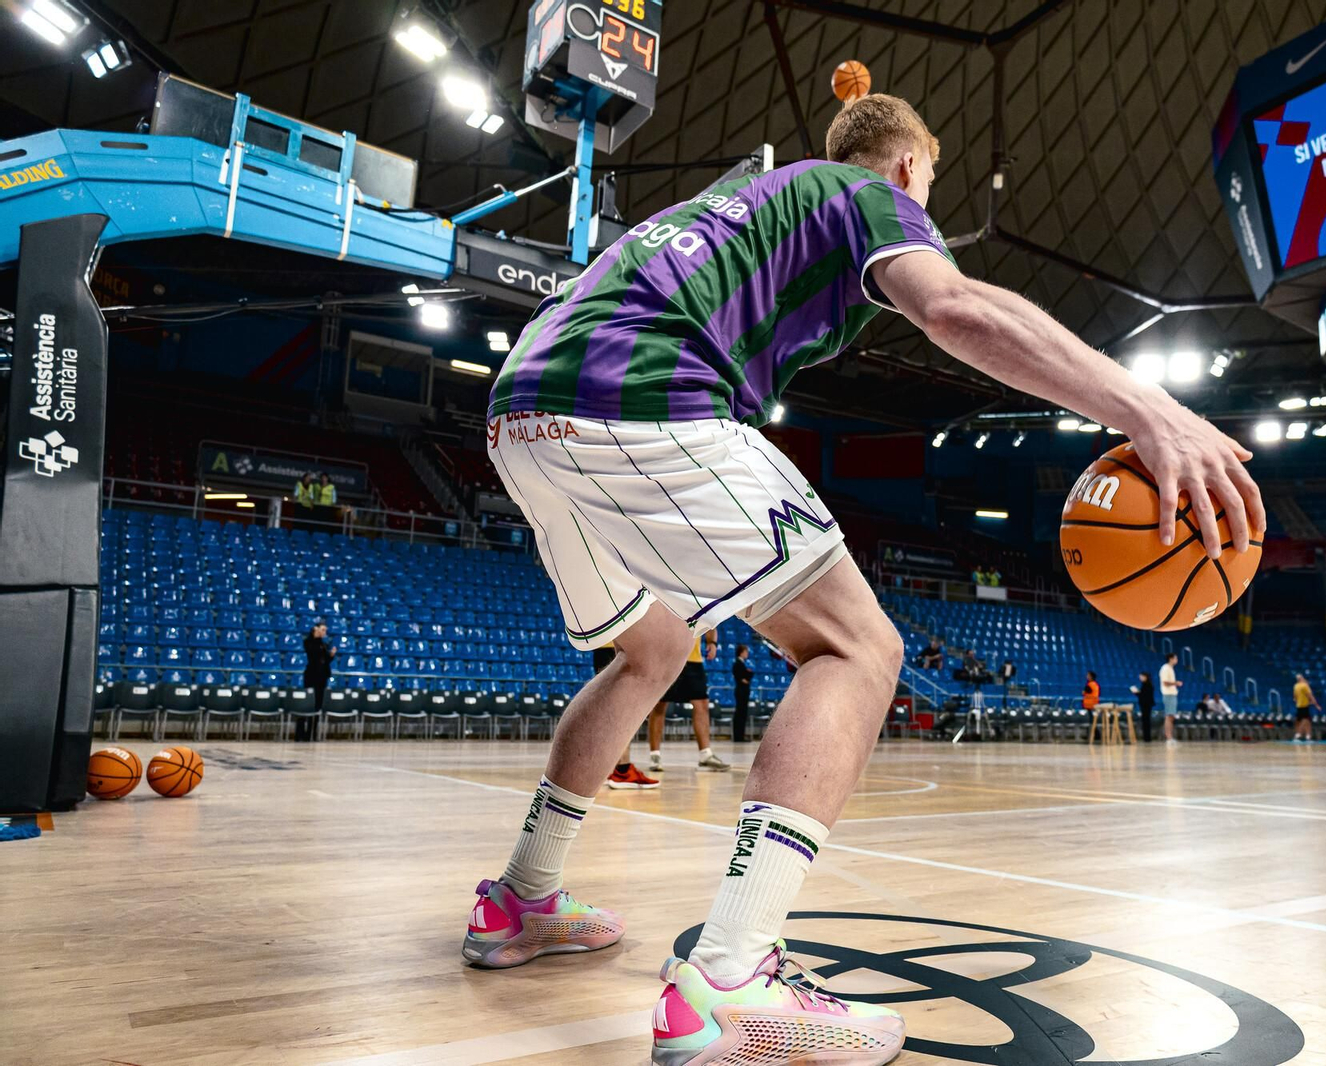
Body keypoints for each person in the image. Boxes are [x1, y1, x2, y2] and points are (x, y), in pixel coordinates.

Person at [466, 92, 1263, 1062]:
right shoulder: (863, 190)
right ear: (907, 173)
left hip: (523, 410)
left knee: (654, 648)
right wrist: (1145, 409)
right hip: (638, 395)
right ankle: (731, 978)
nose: (924, 205)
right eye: (926, 185)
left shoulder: (752, 200)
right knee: (855, 646)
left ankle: (520, 900)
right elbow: (955, 307)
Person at [647, 629, 729, 773]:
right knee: (659, 706)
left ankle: (705, 755)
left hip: (693, 658)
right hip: (666, 658)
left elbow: (709, 617)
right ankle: (655, 756)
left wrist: (712, 642)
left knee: (702, 703)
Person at [596, 644, 659, 790]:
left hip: (605, 646)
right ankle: (622, 772)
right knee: (622, 709)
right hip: (619, 648)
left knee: (613, 709)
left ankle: (613, 769)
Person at [300, 623, 335, 740]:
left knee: (317, 706)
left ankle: (312, 733)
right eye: (322, 630)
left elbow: (324, 660)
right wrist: (314, 636)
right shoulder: (310, 642)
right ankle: (301, 733)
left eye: (325, 630)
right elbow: (312, 653)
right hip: (311, 677)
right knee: (307, 704)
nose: (324, 632)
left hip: (322, 678)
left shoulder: (323, 644)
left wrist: (331, 656)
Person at [731, 643, 754, 742]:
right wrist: (749, 673)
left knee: (742, 714)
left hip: (743, 691)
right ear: (741, 652)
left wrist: (748, 673)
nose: (747, 653)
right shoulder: (738, 664)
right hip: (741, 691)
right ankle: (738, 736)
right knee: (740, 714)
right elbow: (743, 679)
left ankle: (740, 735)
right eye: (746, 652)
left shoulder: (741, 664)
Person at [1159, 652, 1181, 745]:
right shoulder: (1165, 668)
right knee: (1169, 716)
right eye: (1175, 658)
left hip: (1172, 694)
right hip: (1168, 694)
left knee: (1171, 716)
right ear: (1171, 659)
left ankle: (1170, 736)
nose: (1177, 660)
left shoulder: (1171, 669)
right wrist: (1176, 683)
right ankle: (1168, 737)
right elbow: (1165, 682)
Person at [1292, 673, 1319, 743]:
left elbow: (1294, 698)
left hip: (1299, 705)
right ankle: (1298, 735)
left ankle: (1308, 736)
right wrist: (1316, 705)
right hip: (1304, 706)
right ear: (1301, 679)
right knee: (1305, 720)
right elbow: (1310, 696)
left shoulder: (1295, 686)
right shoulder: (1305, 686)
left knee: (1305, 721)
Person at [1132, 671, 1155, 742]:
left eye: (1141, 676)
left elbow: (1143, 695)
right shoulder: (1147, 684)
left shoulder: (1147, 685)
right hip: (1146, 704)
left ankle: (1147, 737)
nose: (1140, 678)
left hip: (1146, 704)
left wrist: (1136, 693)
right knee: (1146, 720)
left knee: (1146, 720)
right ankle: (1147, 737)